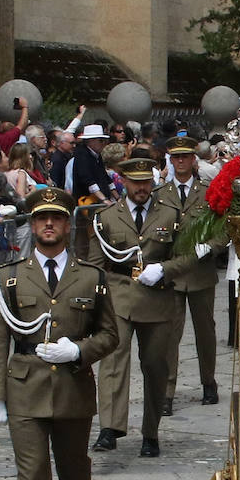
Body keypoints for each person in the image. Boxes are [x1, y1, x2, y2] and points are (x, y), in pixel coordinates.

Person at [0, 187, 119, 480]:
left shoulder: (91, 276)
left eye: (56, 218)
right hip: (25, 386)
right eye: (41, 219)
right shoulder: (9, 276)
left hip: (73, 386)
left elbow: (110, 333)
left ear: (67, 224)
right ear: (31, 224)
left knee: (74, 473)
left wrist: (79, 349)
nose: (48, 225)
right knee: (32, 477)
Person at [91, 157, 194, 457]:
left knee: (155, 365)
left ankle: (151, 432)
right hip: (118, 296)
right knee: (112, 361)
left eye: (145, 182)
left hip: (158, 298)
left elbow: (188, 254)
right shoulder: (107, 216)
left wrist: (165, 269)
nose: (141, 188)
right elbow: (95, 266)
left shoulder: (170, 214)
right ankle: (109, 428)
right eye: (135, 182)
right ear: (123, 181)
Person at [155, 135, 221, 411]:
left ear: (194, 160)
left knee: (205, 331)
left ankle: (208, 381)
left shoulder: (207, 192)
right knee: (170, 334)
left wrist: (212, 247)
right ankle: (167, 391)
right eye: (175, 158)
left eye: (185, 157)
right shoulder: (161, 195)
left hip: (200, 271)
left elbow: (223, 228)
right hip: (172, 272)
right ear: (170, 161)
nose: (180, 161)